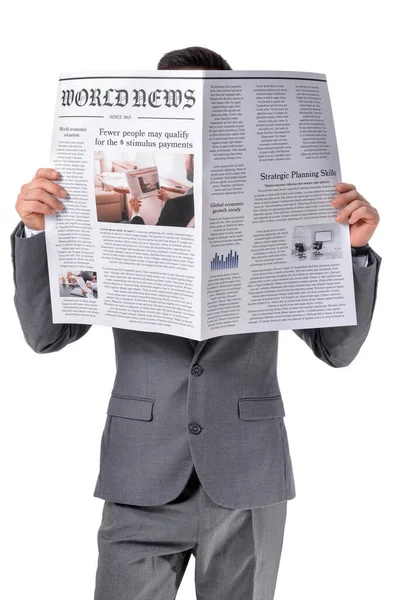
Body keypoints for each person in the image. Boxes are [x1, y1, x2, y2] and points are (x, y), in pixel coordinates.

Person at [11, 46, 382, 600]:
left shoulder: (286, 204)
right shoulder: (109, 204)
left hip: (247, 478)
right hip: (140, 476)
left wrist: (351, 254)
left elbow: (337, 349)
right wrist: (40, 234)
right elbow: (45, 335)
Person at [129, 154, 195, 227]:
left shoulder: (175, 205)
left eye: (186, 156)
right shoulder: (193, 199)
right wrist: (168, 202)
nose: (184, 162)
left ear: (194, 160)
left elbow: (151, 236)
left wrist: (135, 212)